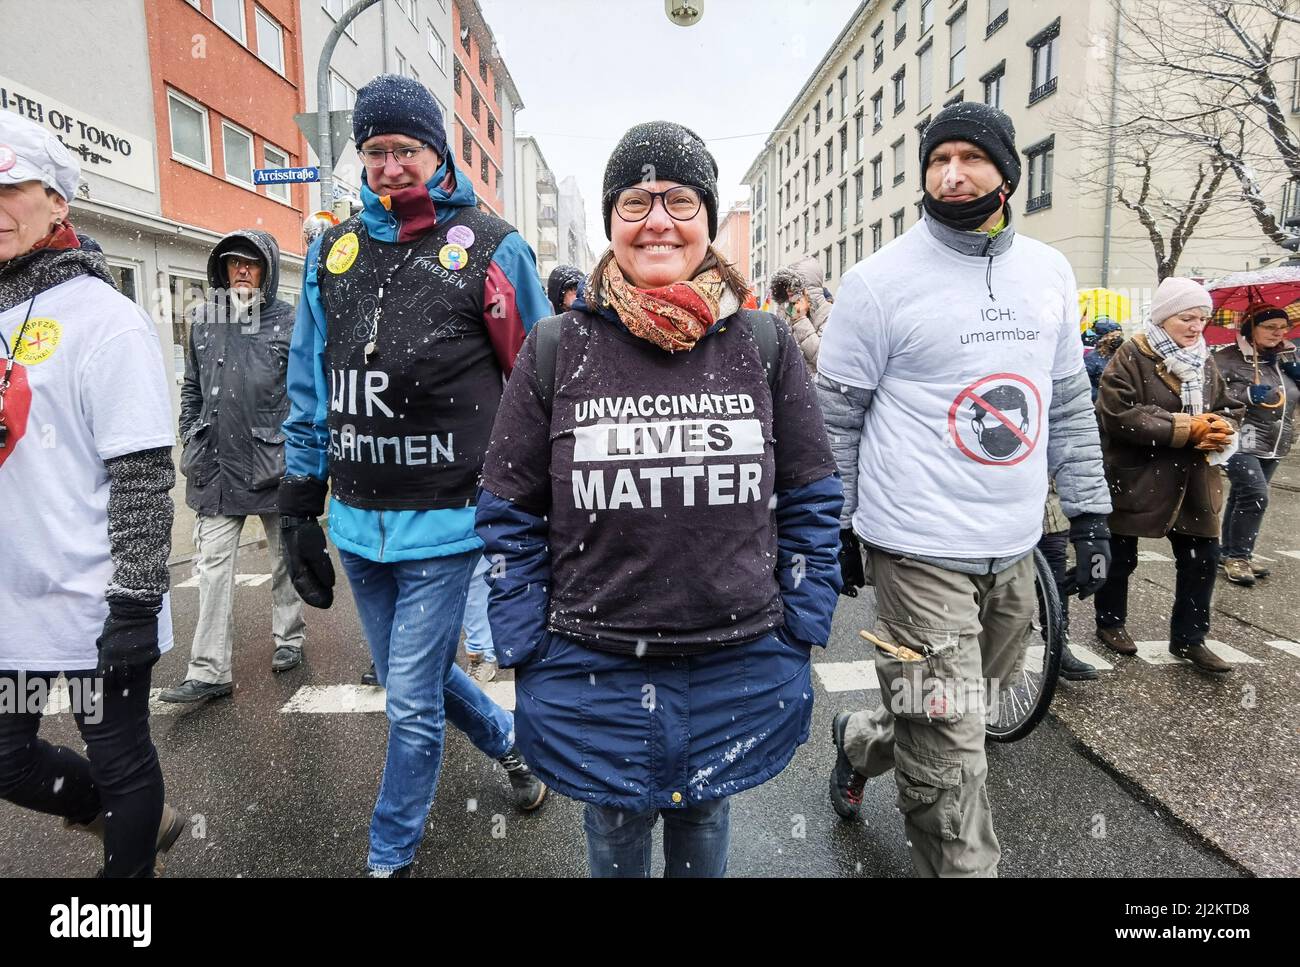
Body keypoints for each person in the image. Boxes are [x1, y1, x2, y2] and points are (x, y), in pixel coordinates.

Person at [475, 121, 843, 878]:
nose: (658, 220)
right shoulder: (556, 348)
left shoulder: (763, 345)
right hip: (591, 656)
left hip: (736, 653)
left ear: (707, 217)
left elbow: (810, 496)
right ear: (611, 221)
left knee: (706, 813)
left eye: (679, 199)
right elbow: (508, 511)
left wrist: (800, 626)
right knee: (613, 824)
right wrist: (527, 648)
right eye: (636, 202)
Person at [817, 102, 1113, 877]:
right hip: (915, 549)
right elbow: (835, 417)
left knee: (954, 709)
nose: (953, 173)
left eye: (972, 157)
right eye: (938, 158)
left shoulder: (1049, 272)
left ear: (1008, 172)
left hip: (1013, 547)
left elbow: (1069, 403)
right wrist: (837, 525)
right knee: (950, 754)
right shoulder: (878, 282)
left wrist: (1090, 512)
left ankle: (859, 738)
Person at [279, 75, 552, 877]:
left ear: (437, 151)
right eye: (375, 151)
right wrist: (300, 500)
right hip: (359, 522)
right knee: (421, 677)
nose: (391, 165)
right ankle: (510, 746)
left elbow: (539, 381)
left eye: (406, 149)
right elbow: (309, 381)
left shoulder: (493, 244)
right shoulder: (331, 250)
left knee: (407, 702)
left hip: (449, 520)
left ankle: (386, 857)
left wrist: (536, 506)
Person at [0, 111, 185, 876]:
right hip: (11, 601)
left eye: (8, 185)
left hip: (94, 601)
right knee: (6, 760)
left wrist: (135, 601)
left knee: (119, 754)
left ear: (57, 202)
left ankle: (124, 890)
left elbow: (141, 471)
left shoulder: (105, 320)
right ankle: (119, 819)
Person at [160, 231, 305, 704]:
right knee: (212, 566)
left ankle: (289, 637)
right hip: (215, 465)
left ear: (267, 270)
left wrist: (301, 450)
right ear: (222, 270)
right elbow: (193, 389)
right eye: (233, 263)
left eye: (251, 263)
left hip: (272, 460)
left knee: (284, 559)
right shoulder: (202, 318)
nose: (241, 270)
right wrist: (189, 431)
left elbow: (306, 391)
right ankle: (208, 670)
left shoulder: (289, 321)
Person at [1092, 277, 1243, 673]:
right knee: (1120, 558)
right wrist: (1185, 428)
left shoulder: (1205, 359)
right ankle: (1110, 622)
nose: (1196, 327)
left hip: (1195, 479)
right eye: (1187, 318)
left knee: (1202, 559)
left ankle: (1191, 638)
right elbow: (1118, 414)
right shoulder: (1131, 355)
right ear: (1163, 317)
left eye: (1203, 319)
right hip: (1139, 476)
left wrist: (1222, 427)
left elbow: (1227, 406)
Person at [1214, 306, 1298, 585]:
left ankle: (1229, 553)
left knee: (1242, 496)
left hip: (1275, 439)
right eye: (1270, 326)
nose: (1279, 333)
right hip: (1239, 437)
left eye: (1282, 327)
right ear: (1251, 328)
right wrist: (1245, 394)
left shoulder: (1286, 357)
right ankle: (1239, 556)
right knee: (1255, 495)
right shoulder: (1226, 359)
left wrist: (1297, 375)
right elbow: (1210, 395)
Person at [1037, 483, 1099, 681]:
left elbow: (1078, 460)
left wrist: (1092, 529)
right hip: (995, 497)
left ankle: (1057, 644)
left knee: (1054, 562)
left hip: (1051, 502)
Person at [769, 255, 831, 375]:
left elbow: (824, 360)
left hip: (814, 390)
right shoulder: (787, 312)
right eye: (786, 285)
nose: (789, 291)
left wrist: (801, 321)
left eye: (793, 285)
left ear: (806, 289)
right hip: (790, 388)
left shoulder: (829, 314)